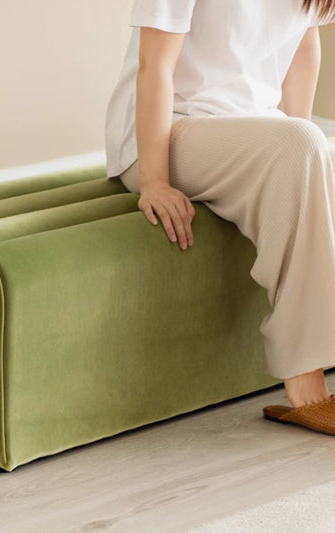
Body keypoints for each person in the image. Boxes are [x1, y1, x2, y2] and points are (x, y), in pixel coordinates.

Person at [104, 0, 335, 435]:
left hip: (249, 127)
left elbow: (305, 47)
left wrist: (302, 166)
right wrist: (154, 180)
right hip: (167, 134)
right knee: (303, 145)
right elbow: (155, 65)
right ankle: (307, 381)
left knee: (318, 150)